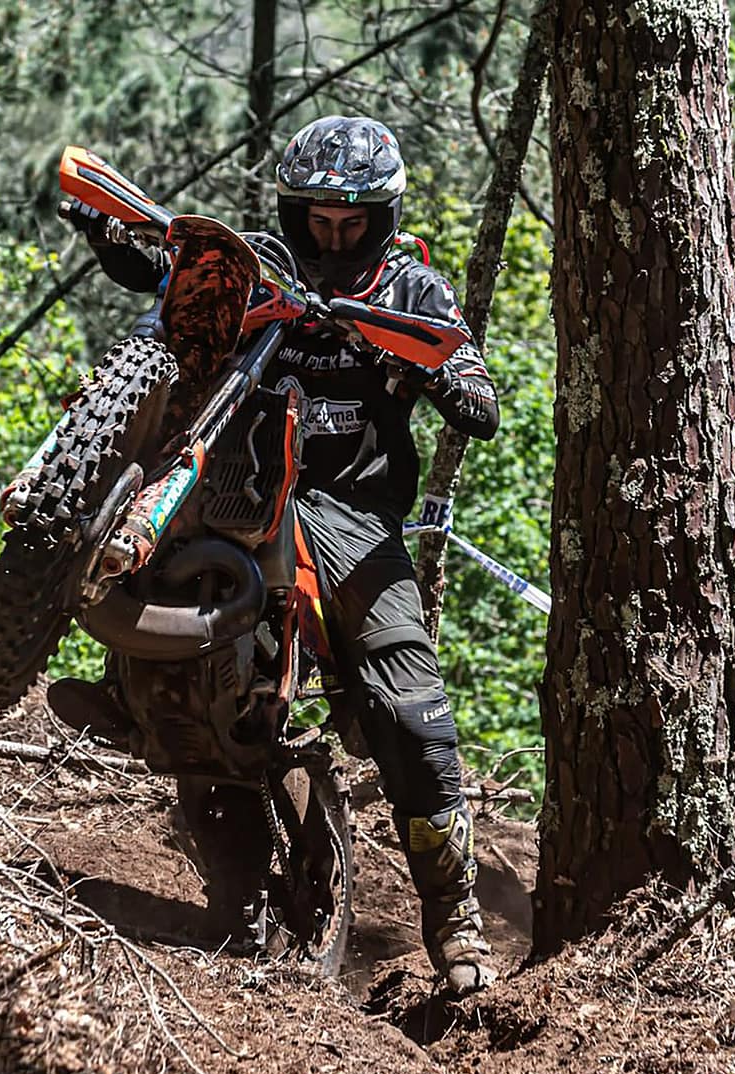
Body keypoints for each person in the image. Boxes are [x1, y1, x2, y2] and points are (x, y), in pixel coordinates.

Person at [51, 116, 500, 995]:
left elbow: (479, 400)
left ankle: (453, 914)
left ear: (382, 217)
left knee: (410, 709)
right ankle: (107, 665)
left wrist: (431, 370)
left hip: (347, 510)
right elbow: (175, 276)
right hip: (229, 477)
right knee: (137, 521)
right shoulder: (262, 261)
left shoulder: (411, 288)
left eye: (352, 222)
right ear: (290, 216)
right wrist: (115, 238)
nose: (332, 237)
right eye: (316, 221)